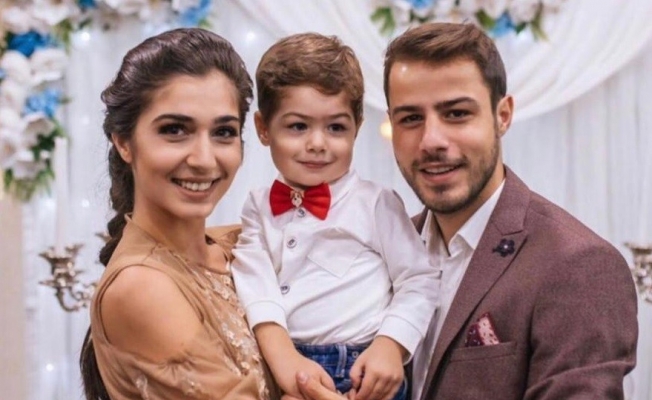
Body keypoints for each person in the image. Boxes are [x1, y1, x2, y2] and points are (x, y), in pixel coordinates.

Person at [381, 22, 638, 399]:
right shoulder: (378, 252)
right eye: (410, 118)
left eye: (456, 113)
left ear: (502, 115)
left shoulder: (579, 264)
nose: (431, 141)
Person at [231, 33, 441, 400]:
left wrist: (391, 346)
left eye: (336, 127)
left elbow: (419, 279)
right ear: (263, 128)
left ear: (357, 126)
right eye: (298, 126)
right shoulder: (258, 206)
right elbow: (255, 285)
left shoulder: (376, 203)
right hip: (285, 365)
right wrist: (285, 362)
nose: (317, 143)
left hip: (365, 369)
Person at [78, 28, 278, 400]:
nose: (204, 159)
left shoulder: (244, 243)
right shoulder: (140, 286)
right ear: (124, 142)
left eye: (223, 132)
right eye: (175, 130)